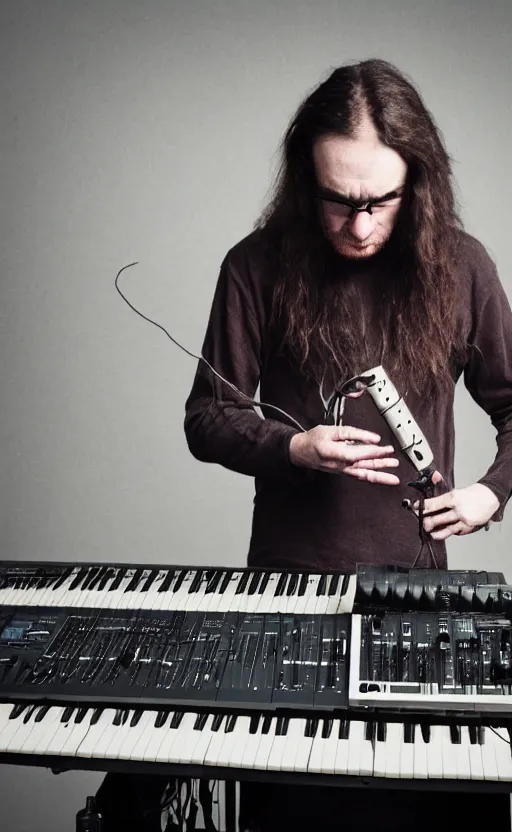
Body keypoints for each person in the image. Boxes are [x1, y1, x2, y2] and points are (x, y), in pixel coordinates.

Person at [183, 59, 512, 831]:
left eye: (380, 202)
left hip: (420, 599)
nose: (359, 226)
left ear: (416, 185)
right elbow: (208, 417)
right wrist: (290, 450)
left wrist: (491, 489)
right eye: (338, 202)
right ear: (307, 182)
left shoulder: (462, 268)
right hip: (287, 595)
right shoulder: (253, 265)